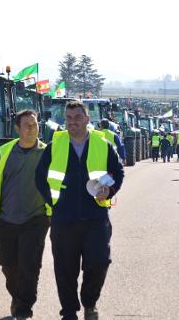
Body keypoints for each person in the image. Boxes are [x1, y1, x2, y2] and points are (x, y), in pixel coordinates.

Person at [35, 101, 124, 320]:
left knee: (99, 262)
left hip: (96, 217)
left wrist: (109, 190)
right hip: (63, 219)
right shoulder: (55, 145)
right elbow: (39, 177)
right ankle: (69, 311)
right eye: (69, 118)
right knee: (65, 269)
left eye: (77, 117)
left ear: (87, 119)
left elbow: (118, 171)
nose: (72, 122)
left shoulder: (102, 145)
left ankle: (89, 302)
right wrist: (53, 203)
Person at [0, 110, 49, 320]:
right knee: (9, 265)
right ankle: (18, 297)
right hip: (4, 219)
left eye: (34, 124)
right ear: (17, 128)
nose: (31, 128)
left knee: (30, 265)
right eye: (26, 125)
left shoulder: (48, 153)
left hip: (36, 219)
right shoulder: (4, 152)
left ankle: (24, 309)